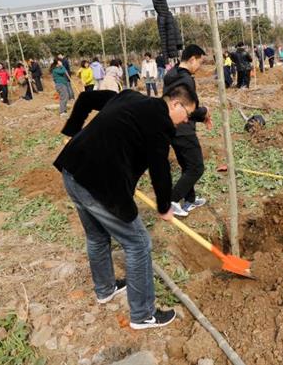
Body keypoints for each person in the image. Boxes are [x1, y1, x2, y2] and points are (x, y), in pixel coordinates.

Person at [54, 81, 198, 330]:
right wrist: (164, 207)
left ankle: (105, 289)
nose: (186, 121)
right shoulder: (160, 123)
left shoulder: (129, 97)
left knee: (97, 237)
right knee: (139, 243)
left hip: (72, 171)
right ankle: (143, 314)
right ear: (175, 104)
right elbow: (160, 170)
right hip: (98, 184)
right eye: (187, 115)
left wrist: (71, 134)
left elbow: (87, 99)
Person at [163, 45, 212, 217]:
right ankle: (171, 200)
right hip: (183, 128)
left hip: (173, 128)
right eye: (199, 62)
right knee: (197, 167)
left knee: (186, 165)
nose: (199, 66)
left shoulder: (171, 74)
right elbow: (189, 107)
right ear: (192, 59)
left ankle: (189, 200)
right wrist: (204, 112)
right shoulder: (186, 80)